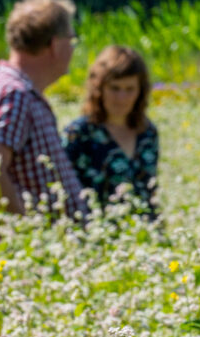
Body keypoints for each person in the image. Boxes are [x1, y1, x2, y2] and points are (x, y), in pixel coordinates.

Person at [0, 0, 87, 219]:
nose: (72, 49)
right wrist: (24, 231)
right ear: (55, 45)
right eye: (71, 40)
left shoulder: (18, 91)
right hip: (31, 249)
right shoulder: (13, 94)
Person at [63, 45, 160, 218]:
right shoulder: (79, 133)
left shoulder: (147, 133)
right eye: (114, 88)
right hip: (96, 235)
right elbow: (65, 194)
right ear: (99, 89)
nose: (122, 98)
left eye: (130, 89)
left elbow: (151, 193)